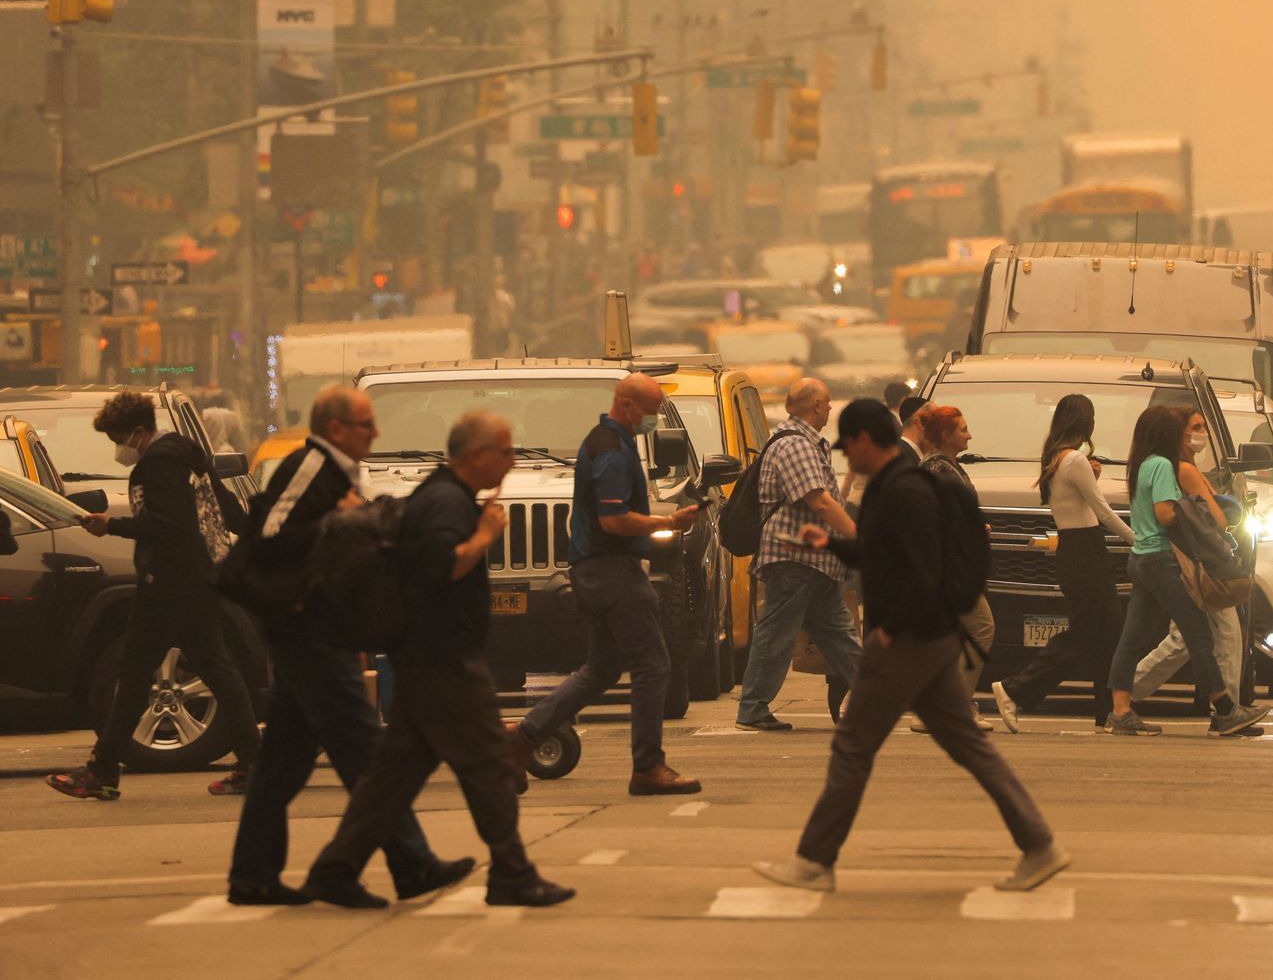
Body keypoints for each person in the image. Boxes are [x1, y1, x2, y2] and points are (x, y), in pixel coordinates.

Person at [752, 400, 1067, 895]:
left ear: (862, 441)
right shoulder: (898, 484)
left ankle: (814, 862)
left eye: (847, 445)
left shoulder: (903, 490)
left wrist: (890, 630)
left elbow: (923, 570)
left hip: (909, 639)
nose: (845, 457)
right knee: (968, 745)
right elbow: (882, 555)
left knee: (853, 748)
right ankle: (1040, 844)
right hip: (931, 638)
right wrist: (827, 545)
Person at [303, 412, 574, 909]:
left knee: (395, 774)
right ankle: (512, 873)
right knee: (490, 766)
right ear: (476, 455)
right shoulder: (448, 502)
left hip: (427, 658)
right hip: (443, 660)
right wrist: (487, 534)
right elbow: (439, 568)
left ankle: (334, 870)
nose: (513, 461)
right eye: (506, 451)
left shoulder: (443, 495)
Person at [226, 385, 473, 906]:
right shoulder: (311, 466)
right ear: (335, 428)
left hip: (320, 627)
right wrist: (343, 522)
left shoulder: (338, 472)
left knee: (282, 762)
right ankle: (411, 864)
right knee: (367, 751)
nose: (375, 431)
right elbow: (268, 536)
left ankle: (253, 876)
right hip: (305, 630)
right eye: (366, 423)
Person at [48, 392, 263, 802]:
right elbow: (226, 505)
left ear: (139, 432)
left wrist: (110, 526)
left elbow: (167, 525)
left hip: (167, 583)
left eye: (118, 438)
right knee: (216, 669)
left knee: (134, 676)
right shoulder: (189, 455)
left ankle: (102, 771)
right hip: (198, 577)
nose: (118, 448)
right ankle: (252, 762)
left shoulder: (156, 463)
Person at [509, 374, 703, 796]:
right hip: (613, 570)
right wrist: (668, 521)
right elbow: (613, 520)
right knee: (654, 665)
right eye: (651, 411)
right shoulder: (611, 450)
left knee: (602, 668)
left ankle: (522, 737)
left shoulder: (609, 442)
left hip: (595, 570)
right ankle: (648, 767)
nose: (652, 419)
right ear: (627, 405)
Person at [1103, 405, 1268, 738]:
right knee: (1198, 634)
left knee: (1132, 639)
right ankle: (1224, 709)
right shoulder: (1163, 465)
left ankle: (1121, 711)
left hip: (1140, 558)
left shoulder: (1140, 465)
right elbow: (1165, 514)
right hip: (1162, 560)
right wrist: (1194, 514)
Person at [989, 394, 1129, 731]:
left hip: (1076, 547)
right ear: (1086, 423)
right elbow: (1102, 510)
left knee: (1109, 630)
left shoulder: (1056, 459)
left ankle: (1107, 712)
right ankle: (1013, 689)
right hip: (1086, 549)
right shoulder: (1076, 461)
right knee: (1084, 633)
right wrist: (1138, 540)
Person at [734, 380, 862, 732]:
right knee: (777, 633)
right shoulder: (795, 445)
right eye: (829, 403)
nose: (832, 409)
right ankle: (752, 708)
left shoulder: (806, 443)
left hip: (813, 561)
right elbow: (818, 501)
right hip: (795, 559)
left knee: (838, 632)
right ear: (817, 405)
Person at [913, 404, 996, 734]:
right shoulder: (939, 470)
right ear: (946, 435)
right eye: (963, 430)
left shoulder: (943, 467)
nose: (969, 435)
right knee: (982, 627)